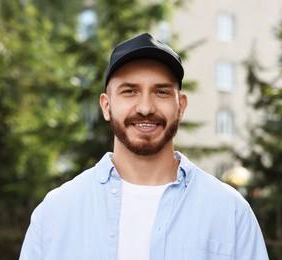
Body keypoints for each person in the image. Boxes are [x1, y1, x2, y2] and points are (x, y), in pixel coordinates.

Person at [19, 33, 269, 260]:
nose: (146, 108)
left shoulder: (230, 211)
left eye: (161, 92)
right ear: (106, 106)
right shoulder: (55, 213)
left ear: (181, 106)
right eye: (129, 91)